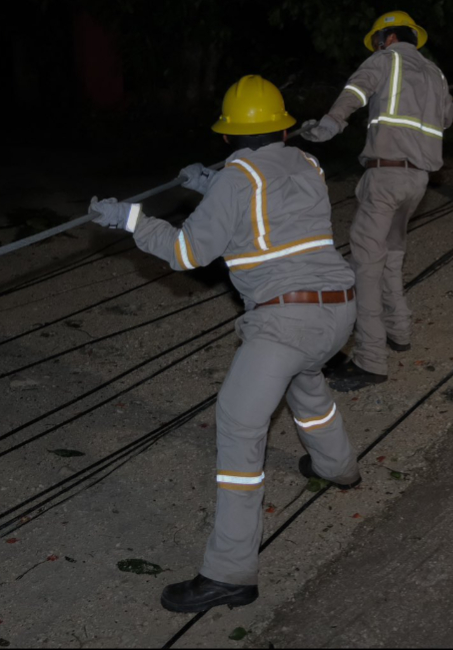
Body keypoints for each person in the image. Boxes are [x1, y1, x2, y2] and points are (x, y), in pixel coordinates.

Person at [88, 75, 360, 613]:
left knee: (239, 426)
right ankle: (339, 466)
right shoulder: (308, 164)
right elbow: (267, 196)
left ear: (229, 136)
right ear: (282, 129)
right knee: (306, 378)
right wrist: (210, 183)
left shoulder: (237, 179)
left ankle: (231, 572)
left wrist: (133, 221)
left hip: (284, 321)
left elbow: (188, 251)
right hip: (339, 309)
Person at [300, 11, 453, 391]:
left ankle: (371, 359)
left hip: (385, 176)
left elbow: (356, 91)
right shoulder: (436, 73)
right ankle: (399, 332)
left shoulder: (386, 59)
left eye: (376, 41)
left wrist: (328, 124)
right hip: (419, 181)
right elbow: (446, 119)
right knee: (392, 255)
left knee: (365, 265)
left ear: (387, 38)